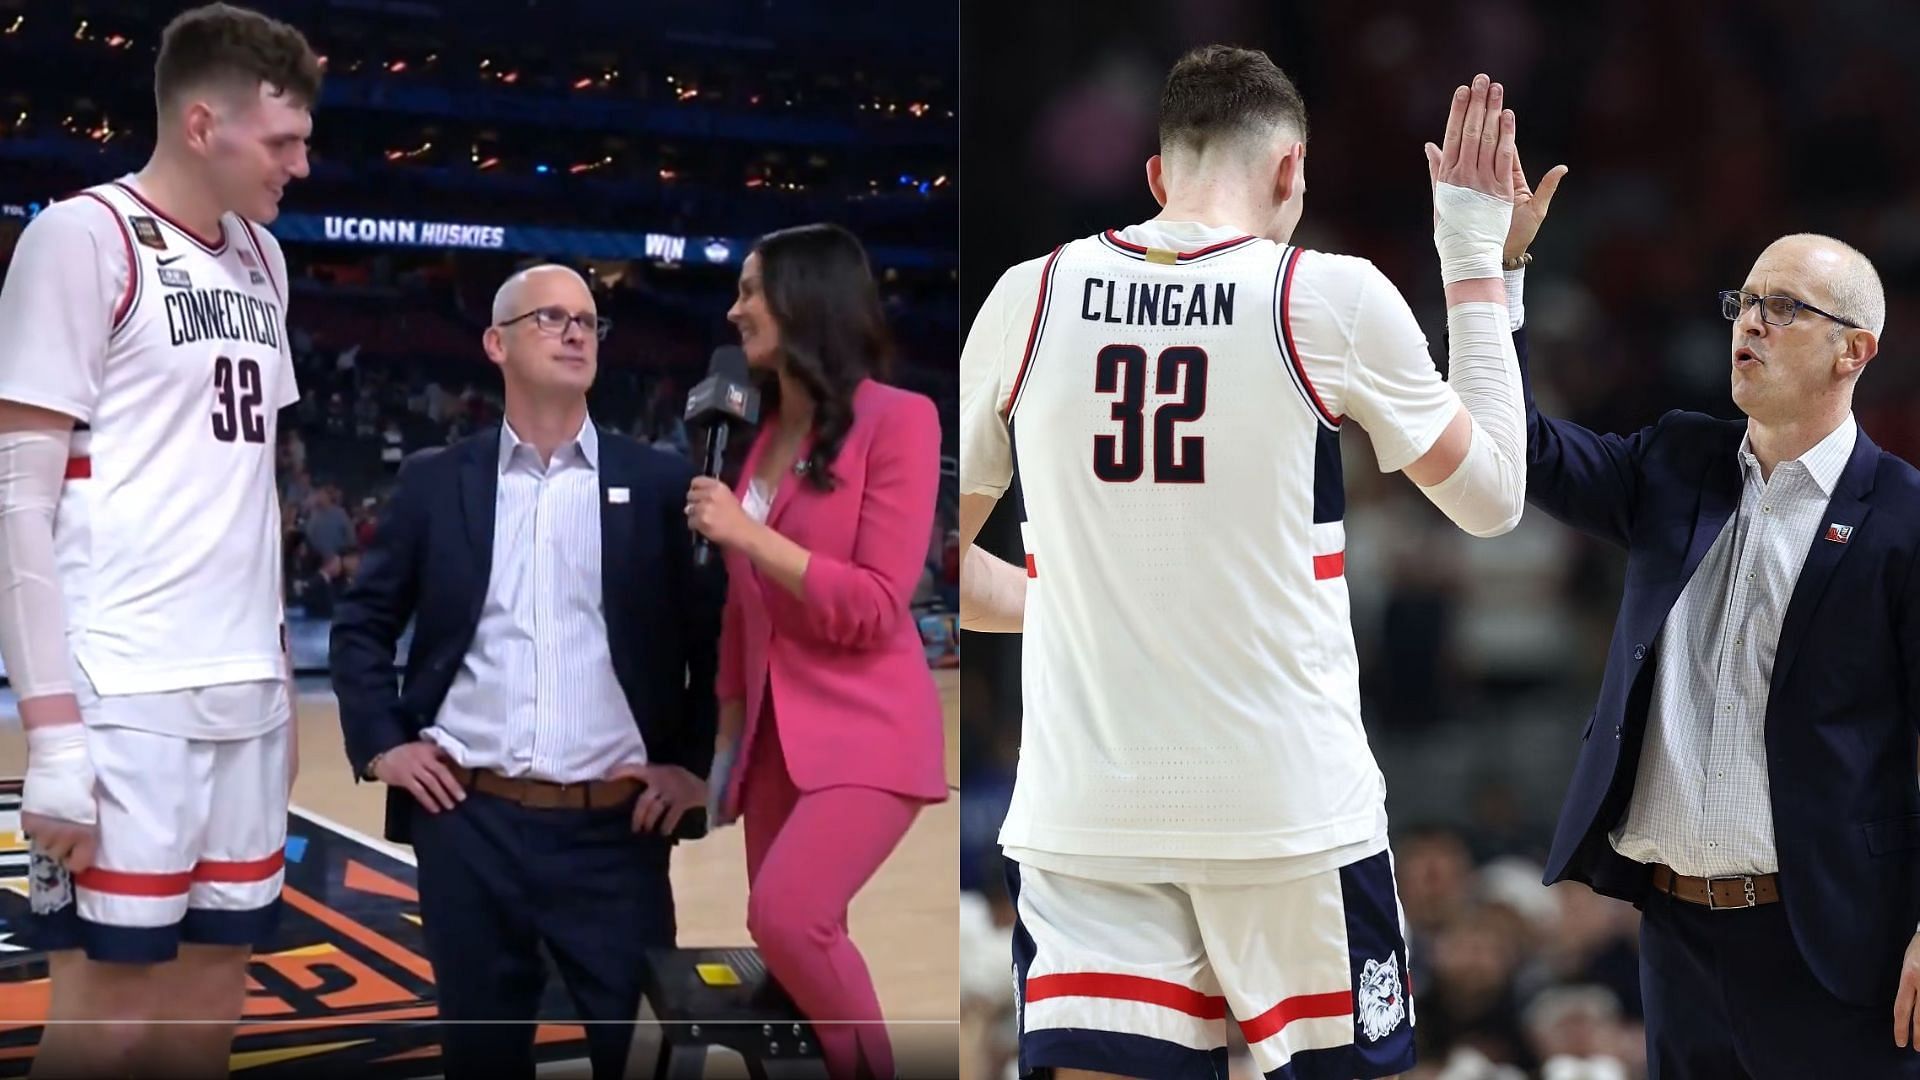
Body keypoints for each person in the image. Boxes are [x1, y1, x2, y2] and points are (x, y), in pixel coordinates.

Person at [958, 51, 1540, 1079]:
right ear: (1290, 173)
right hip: (1291, 818)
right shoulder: (1324, 295)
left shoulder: (1026, 297)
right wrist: (1476, 263)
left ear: (1154, 176)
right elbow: (1492, 498)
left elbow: (931, 569)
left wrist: (1081, 609)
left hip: (1091, 817)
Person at [1509, 154, 1920, 1075]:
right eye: (1746, 303)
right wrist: (1493, 276)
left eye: (1786, 309)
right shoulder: (1676, 462)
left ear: (1853, 351)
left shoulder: (1904, 518)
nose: (1751, 325)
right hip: (1676, 938)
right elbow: (1521, 449)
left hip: (1833, 943)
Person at [0, 5, 315, 1075]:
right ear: (199, 126)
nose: (301, 165)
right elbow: (17, 504)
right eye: (282, 142)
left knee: (207, 1014)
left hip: (245, 701)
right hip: (123, 699)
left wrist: (277, 672)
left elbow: (253, 486)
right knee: (107, 1022)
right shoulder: (81, 237)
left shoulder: (268, 262)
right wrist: (51, 736)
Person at [330, 264, 720, 1079]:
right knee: (482, 1057)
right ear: (494, 343)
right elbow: (364, 623)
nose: (577, 331)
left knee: (644, 1057)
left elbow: (710, 641)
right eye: (551, 317)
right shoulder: (435, 481)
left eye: (587, 321)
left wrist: (692, 768)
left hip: (618, 833)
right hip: (469, 823)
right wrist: (383, 745)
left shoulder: (658, 484)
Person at [684, 223, 948, 1080]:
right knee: (792, 947)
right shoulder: (757, 440)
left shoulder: (900, 420)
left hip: (867, 733)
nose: (735, 310)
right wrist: (726, 738)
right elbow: (742, 610)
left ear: (804, 299)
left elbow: (875, 604)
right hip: (771, 744)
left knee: (791, 917)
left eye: (752, 290)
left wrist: (747, 534)